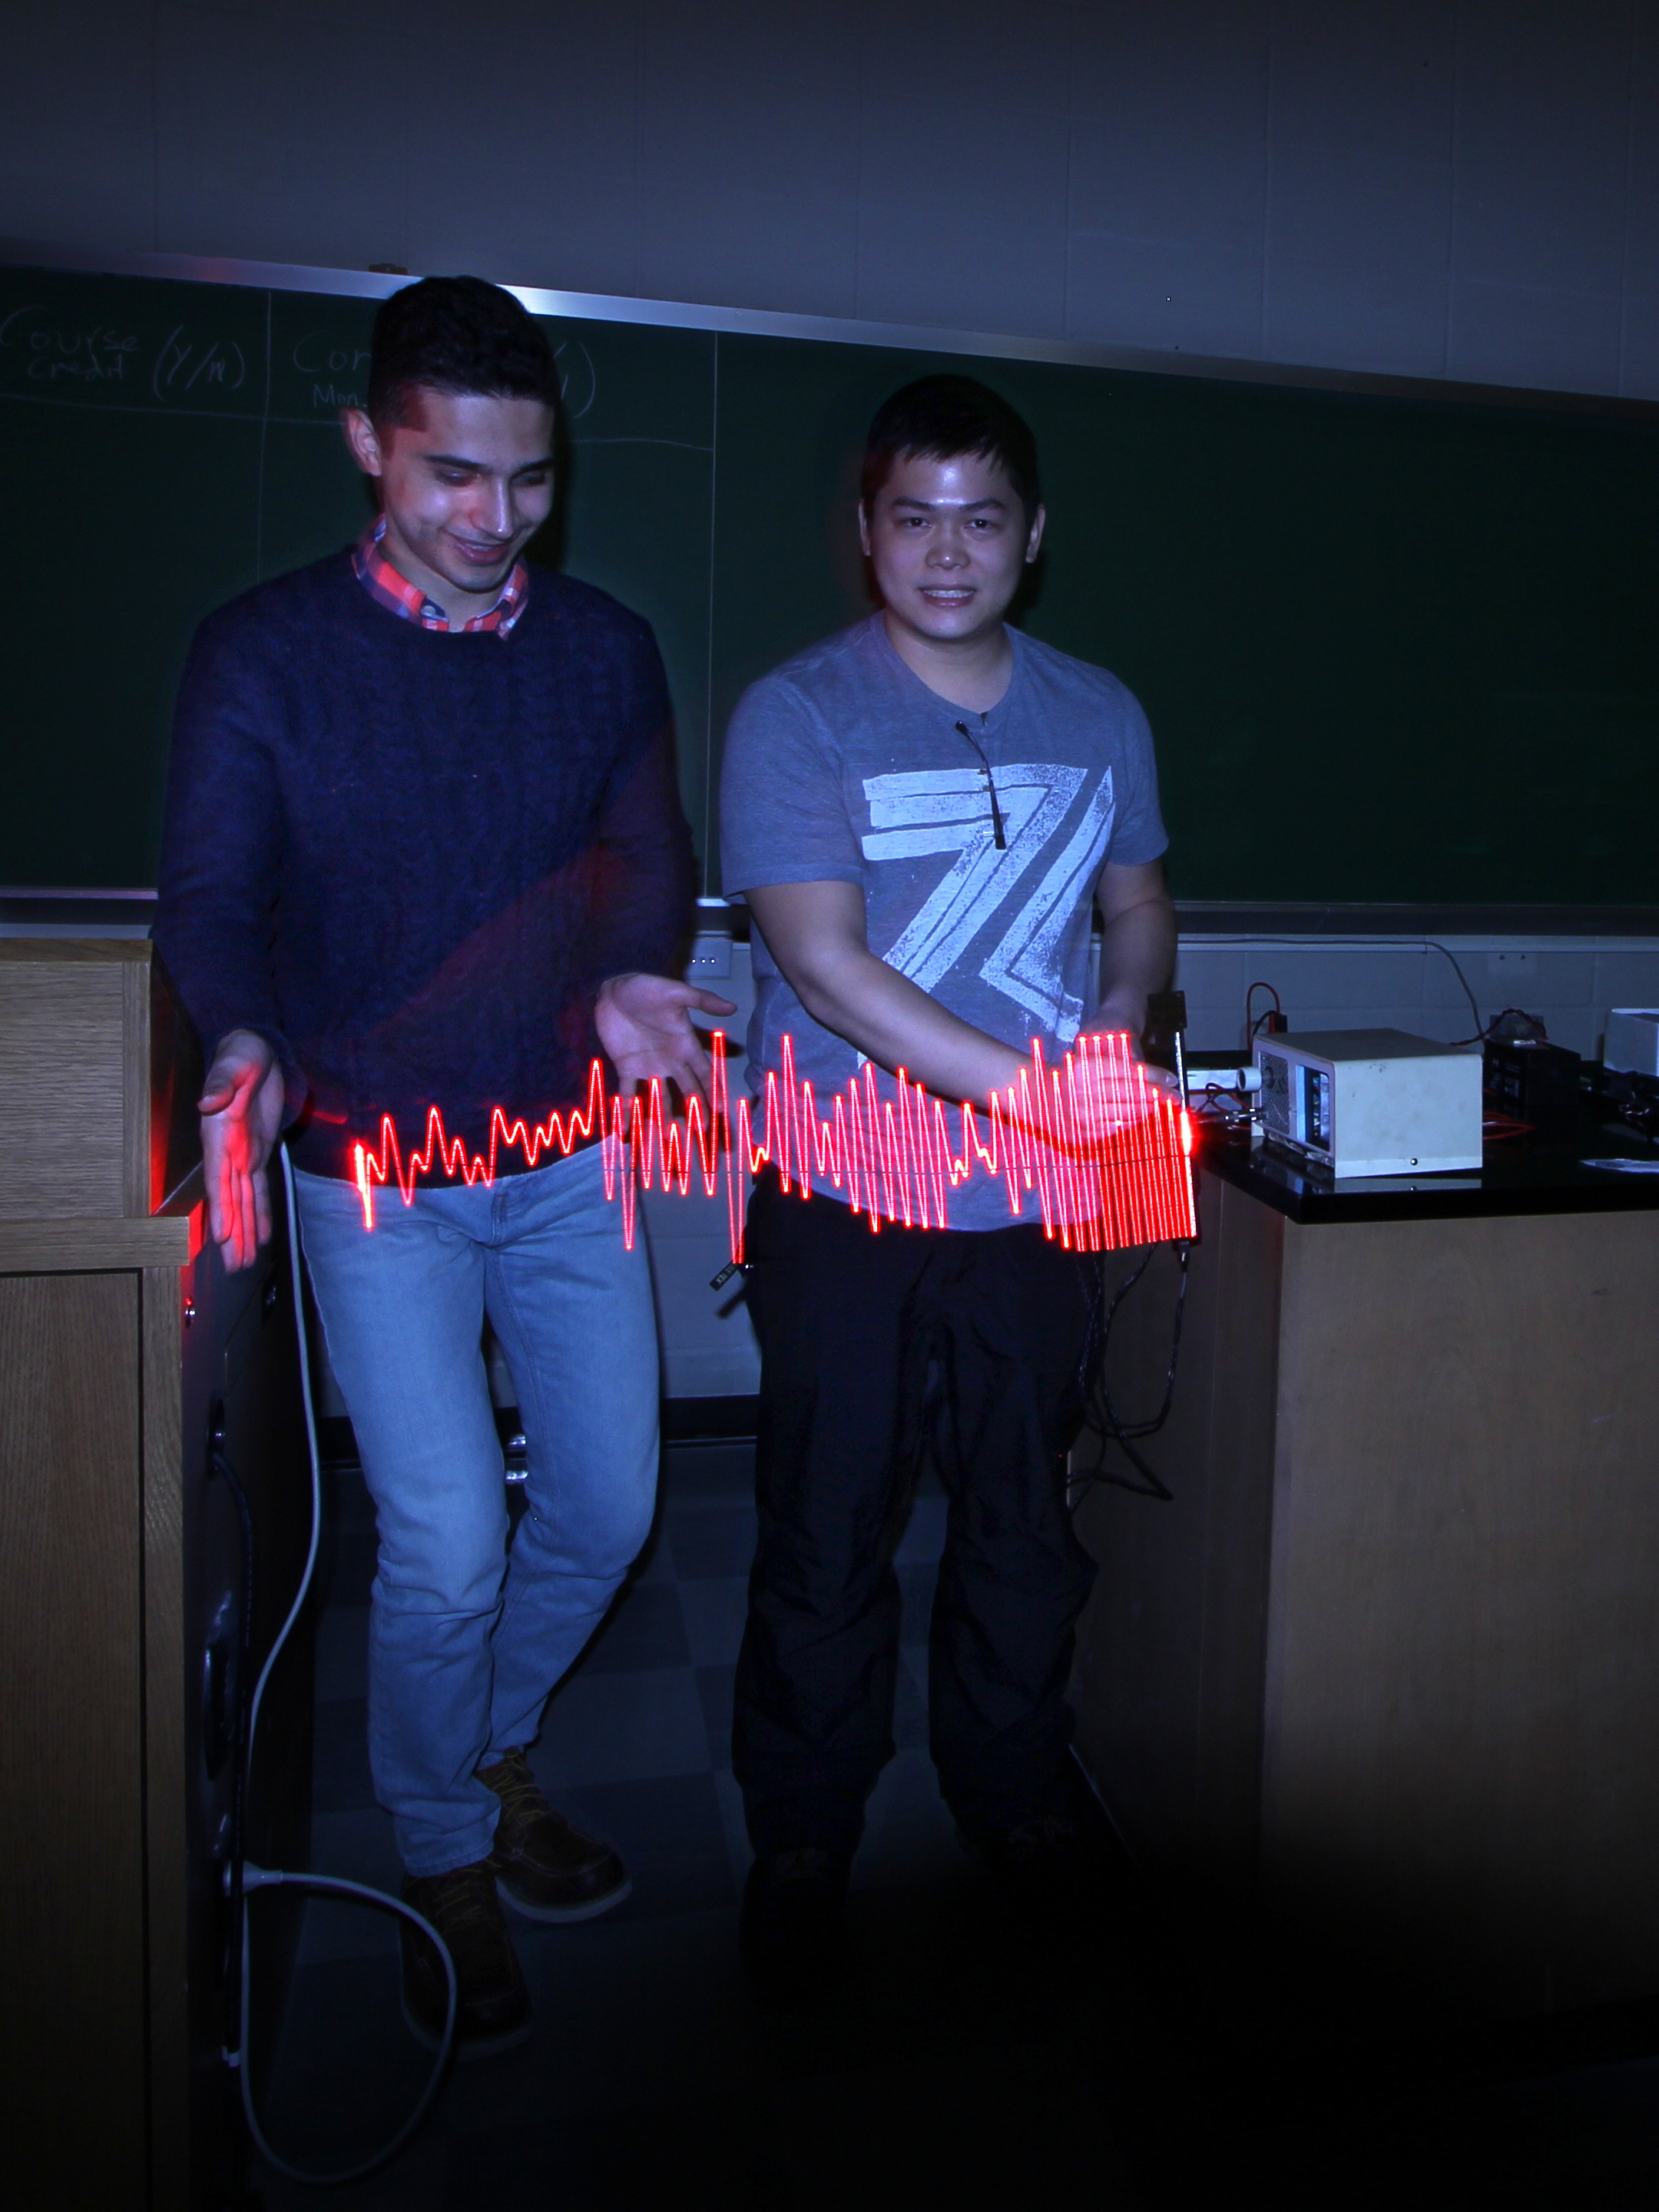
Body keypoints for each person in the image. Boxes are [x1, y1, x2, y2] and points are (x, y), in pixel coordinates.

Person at [155, 276, 731, 2055]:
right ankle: (438, 1847)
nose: (496, 519)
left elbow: (647, 855)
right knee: (450, 1541)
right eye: (452, 477)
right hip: (372, 1174)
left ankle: (482, 1750)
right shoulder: (264, 654)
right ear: (368, 445)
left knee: (611, 1509)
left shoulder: (604, 649)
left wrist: (633, 975)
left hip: (563, 1155)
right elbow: (212, 896)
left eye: (531, 481)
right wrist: (241, 1036)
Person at [718, 373, 1177, 1998]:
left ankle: (1016, 1799)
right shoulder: (797, 714)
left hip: (1031, 1213)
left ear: (1033, 535)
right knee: (826, 1526)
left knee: (1021, 1525)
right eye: (914, 517)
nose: (948, 551)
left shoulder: (1101, 710)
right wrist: (1041, 1095)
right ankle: (803, 1835)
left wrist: (1120, 1014)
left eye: (982, 519)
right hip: (846, 1193)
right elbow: (824, 969)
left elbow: (1139, 906)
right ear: (868, 531)